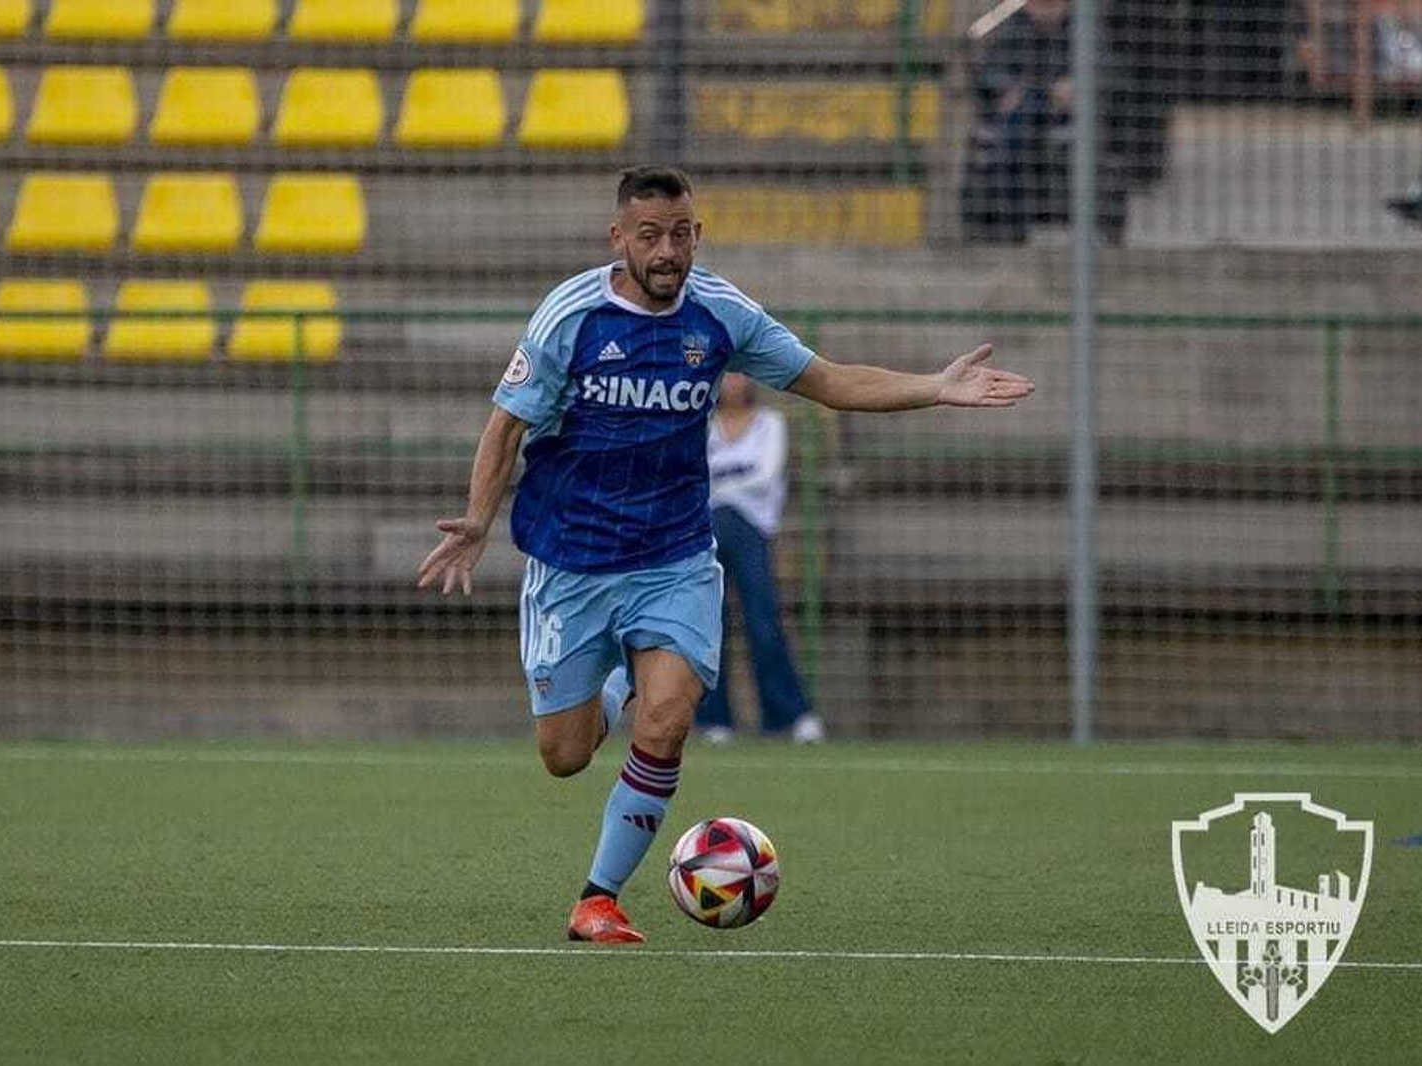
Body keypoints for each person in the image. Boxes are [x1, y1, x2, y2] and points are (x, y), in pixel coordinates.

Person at [416, 165, 1033, 944]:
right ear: (618, 238)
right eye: (649, 236)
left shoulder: (721, 313)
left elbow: (827, 380)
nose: (666, 251)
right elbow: (506, 424)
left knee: (669, 720)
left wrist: (935, 387)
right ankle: (619, 678)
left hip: (673, 556)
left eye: (681, 234)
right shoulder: (571, 316)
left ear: (697, 235)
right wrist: (478, 520)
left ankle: (598, 899)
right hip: (571, 559)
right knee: (564, 756)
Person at [694, 372, 822, 745]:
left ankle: (790, 715)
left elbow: (765, 475)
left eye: (741, 374)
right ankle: (715, 719)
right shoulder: (703, 425)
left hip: (752, 529)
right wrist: (727, 482)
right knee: (709, 625)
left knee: (763, 623)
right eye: (727, 374)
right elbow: (694, 477)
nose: (734, 382)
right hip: (708, 531)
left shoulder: (770, 423)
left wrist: (720, 482)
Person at [959, 0, 1126, 244]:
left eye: (1051, 6)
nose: (1043, 12)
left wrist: (1077, 85)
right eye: (1038, 6)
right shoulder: (1012, 27)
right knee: (1020, 116)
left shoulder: (1084, 28)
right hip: (1021, 114)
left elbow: (1106, 71)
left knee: (1027, 119)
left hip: (1066, 116)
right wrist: (1008, 89)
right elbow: (989, 72)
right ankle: (1010, 229)